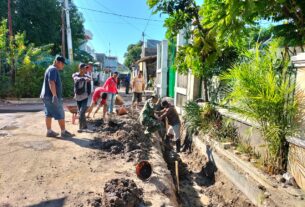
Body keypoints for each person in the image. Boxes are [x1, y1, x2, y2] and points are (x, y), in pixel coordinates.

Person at [40, 55, 74, 138]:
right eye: (63, 64)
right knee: (60, 113)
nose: (63, 66)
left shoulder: (49, 68)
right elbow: (51, 82)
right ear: (58, 62)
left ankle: (49, 131)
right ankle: (63, 132)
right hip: (51, 96)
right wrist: (54, 96)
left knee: (48, 114)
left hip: (46, 96)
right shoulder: (53, 70)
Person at [72, 63, 91, 132]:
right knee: (81, 113)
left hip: (85, 96)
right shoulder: (75, 75)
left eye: (86, 68)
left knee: (81, 112)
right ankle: (85, 126)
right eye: (84, 68)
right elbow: (76, 79)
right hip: (78, 97)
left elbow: (89, 80)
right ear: (80, 69)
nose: (85, 69)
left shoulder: (87, 76)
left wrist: (87, 79)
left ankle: (80, 127)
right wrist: (84, 78)